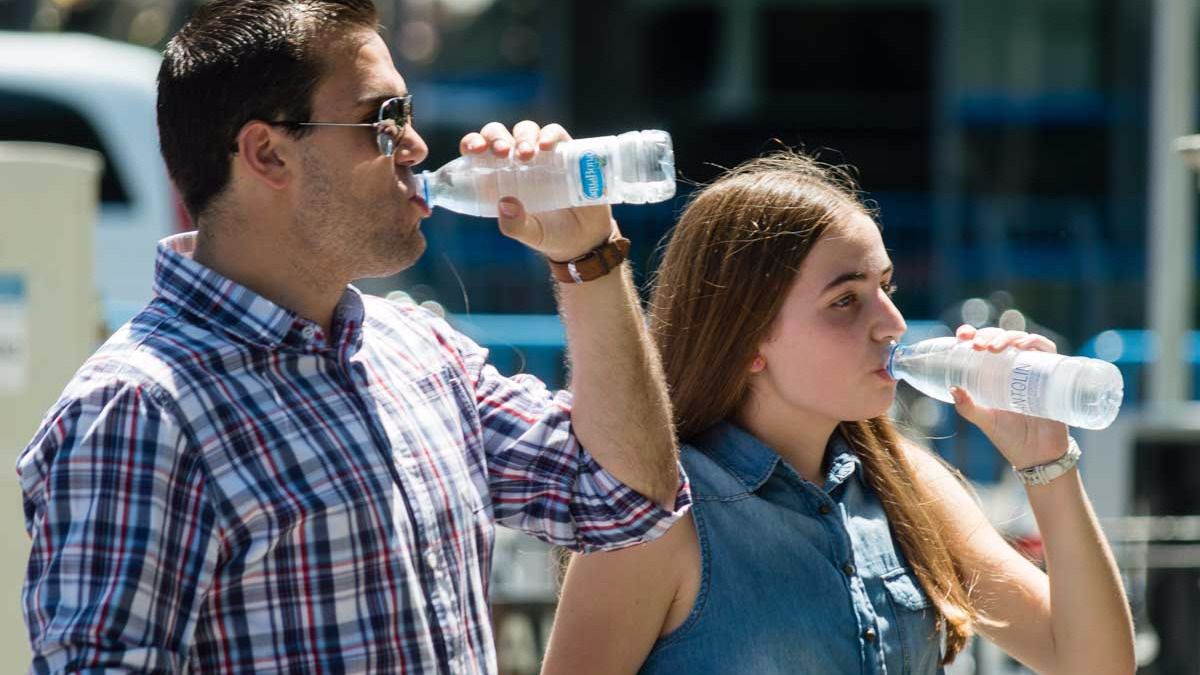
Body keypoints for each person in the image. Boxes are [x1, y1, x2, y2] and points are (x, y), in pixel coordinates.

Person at [16, 0, 689, 671]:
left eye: (408, 114)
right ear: (267, 153)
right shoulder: (138, 409)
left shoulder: (418, 350)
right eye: (384, 120)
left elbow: (625, 499)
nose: (417, 147)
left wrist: (587, 257)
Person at [541, 151, 1135, 674]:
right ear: (746, 340)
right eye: (845, 301)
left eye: (887, 287)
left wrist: (1047, 463)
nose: (892, 324)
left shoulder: (904, 485)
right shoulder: (662, 515)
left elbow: (1095, 665)